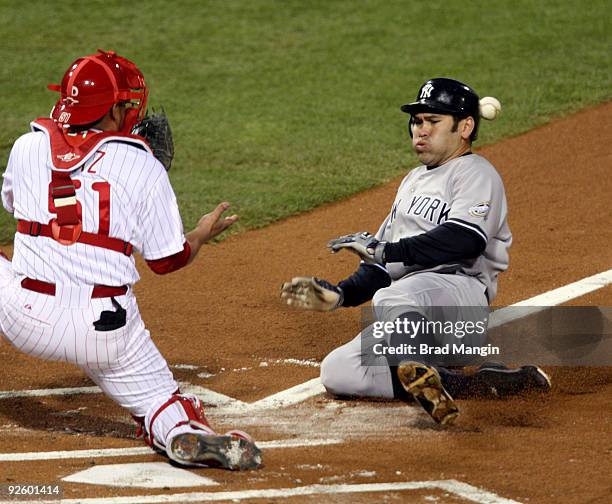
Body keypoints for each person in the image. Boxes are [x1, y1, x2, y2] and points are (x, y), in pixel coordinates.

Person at [0, 49, 261, 470]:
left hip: (23, 317)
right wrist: (199, 234)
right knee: (160, 396)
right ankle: (180, 431)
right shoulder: (142, 164)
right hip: (105, 328)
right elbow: (166, 260)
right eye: (126, 102)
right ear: (114, 107)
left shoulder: (27, 146)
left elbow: (14, 204)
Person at [281, 78, 550, 425]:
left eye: (433, 122)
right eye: (417, 121)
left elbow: (465, 239)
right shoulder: (412, 181)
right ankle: (472, 383)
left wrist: (386, 250)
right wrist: (343, 294)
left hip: (458, 299)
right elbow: (384, 266)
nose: (420, 131)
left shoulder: (476, 173)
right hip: (412, 311)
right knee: (339, 370)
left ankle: (414, 360)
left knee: (393, 298)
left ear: (465, 127)